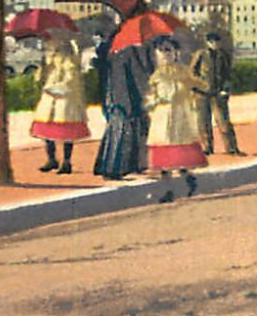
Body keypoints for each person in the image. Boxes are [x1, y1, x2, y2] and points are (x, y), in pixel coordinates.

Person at [145, 37, 206, 200]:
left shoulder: (182, 71)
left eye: (168, 50)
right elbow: (150, 95)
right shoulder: (156, 75)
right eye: (161, 50)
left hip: (180, 115)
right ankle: (168, 190)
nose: (165, 54)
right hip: (162, 117)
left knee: (179, 151)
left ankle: (187, 177)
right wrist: (154, 101)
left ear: (175, 52)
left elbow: (196, 84)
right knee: (163, 155)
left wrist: (200, 89)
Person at [93, 29, 152, 180]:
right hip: (125, 98)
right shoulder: (129, 53)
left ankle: (113, 166)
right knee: (123, 133)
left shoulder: (115, 52)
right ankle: (115, 168)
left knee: (118, 132)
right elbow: (138, 77)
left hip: (116, 97)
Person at [31, 33, 89, 173]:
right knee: (45, 130)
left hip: (65, 102)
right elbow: (39, 80)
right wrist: (42, 70)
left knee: (66, 131)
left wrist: (57, 88)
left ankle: (67, 162)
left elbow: (71, 82)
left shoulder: (69, 62)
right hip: (49, 100)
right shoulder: (48, 65)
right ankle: (52, 159)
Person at [191, 29, 243, 155]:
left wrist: (225, 89)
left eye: (217, 42)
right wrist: (199, 84)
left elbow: (227, 75)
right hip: (201, 94)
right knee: (204, 123)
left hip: (217, 93)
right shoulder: (200, 55)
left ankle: (231, 148)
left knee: (223, 122)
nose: (215, 44)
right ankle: (206, 148)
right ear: (208, 42)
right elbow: (192, 73)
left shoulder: (223, 56)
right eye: (212, 42)